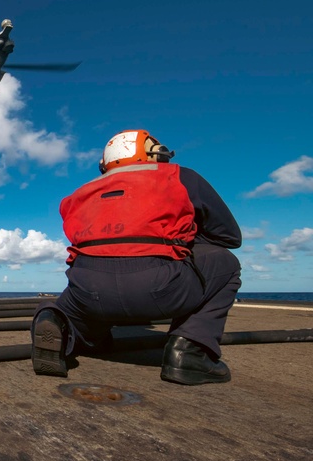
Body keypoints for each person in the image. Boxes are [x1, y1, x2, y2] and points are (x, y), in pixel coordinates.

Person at [32, 129, 242, 385]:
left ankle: (58, 322)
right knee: (227, 264)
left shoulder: (80, 193)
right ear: (156, 154)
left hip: (88, 290)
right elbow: (229, 237)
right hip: (160, 286)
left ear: (104, 163)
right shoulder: (181, 176)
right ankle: (189, 351)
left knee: (77, 301)